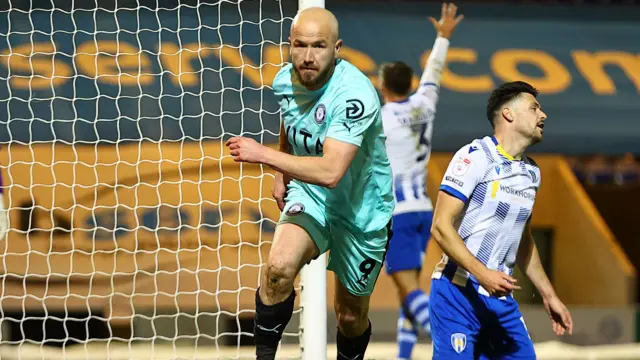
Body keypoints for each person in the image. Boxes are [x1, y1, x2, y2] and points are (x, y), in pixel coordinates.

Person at [225, 6, 394, 360]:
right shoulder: (285, 79)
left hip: (362, 210)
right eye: (299, 45)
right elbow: (292, 118)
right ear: (289, 45)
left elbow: (331, 172)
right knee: (278, 269)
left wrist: (265, 155)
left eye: (318, 46)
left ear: (337, 48)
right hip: (312, 196)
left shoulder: (354, 96)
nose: (307, 56)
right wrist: (281, 173)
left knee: (349, 317)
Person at [429, 81, 573, 359]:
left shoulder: (532, 172)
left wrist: (548, 294)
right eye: (534, 108)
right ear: (508, 114)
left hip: (500, 301)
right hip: (457, 293)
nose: (543, 116)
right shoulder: (475, 157)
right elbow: (440, 225)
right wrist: (483, 274)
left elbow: (523, 241)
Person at [377, 3, 462, 359]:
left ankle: (454, 341)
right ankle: (404, 356)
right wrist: (442, 37)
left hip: (396, 212)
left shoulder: (380, 119)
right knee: (406, 290)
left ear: (382, 85)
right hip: (423, 209)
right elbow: (435, 72)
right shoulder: (424, 103)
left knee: (408, 286)